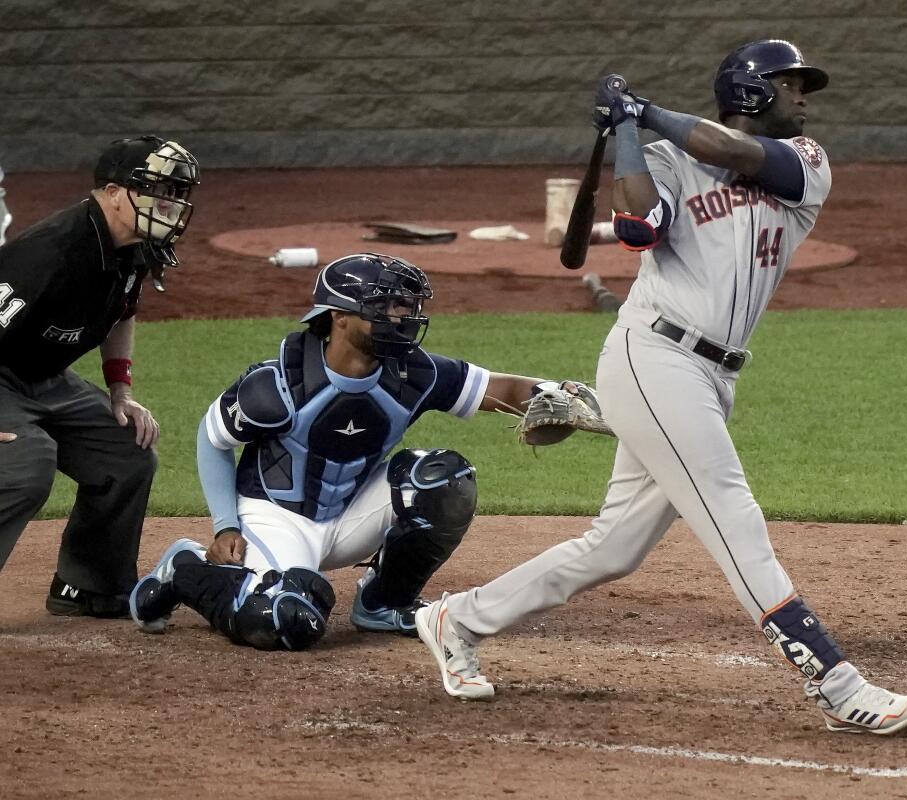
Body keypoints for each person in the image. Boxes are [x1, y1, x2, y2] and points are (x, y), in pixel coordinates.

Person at [413, 40, 907, 735]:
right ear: (749, 92)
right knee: (732, 518)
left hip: (713, 374)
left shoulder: (806, 163)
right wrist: (628, 131)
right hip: (654, 358)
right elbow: (637, 229)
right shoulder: (663, 161)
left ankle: (456, 619)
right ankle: (835, 683)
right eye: (790, 84)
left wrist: (642, 109)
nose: (803, 96)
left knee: (613, 548)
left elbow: (742, 156)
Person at [131, 253, 603, 652]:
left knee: (445, 480)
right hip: (277, 517)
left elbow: (500, 388)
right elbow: (212, 439)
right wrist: (225, 525)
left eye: (405, 306)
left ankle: (384, 603)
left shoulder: (413, 372)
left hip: (352, 514)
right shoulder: (279, 384)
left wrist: (554, 391)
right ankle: (185, 568)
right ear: (338, 316)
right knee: (285, 622)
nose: (401, 317)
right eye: (386, 306)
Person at [0, 136, 199, 616]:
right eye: (156, 190)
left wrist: (120, 390)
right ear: (112, 192)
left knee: (128, 452)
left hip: (47, 378)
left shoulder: (137, 242)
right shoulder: (49, 253)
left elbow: (123, 310)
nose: (169, 203)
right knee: (25, 464)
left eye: (176, 192)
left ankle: (88, 586)